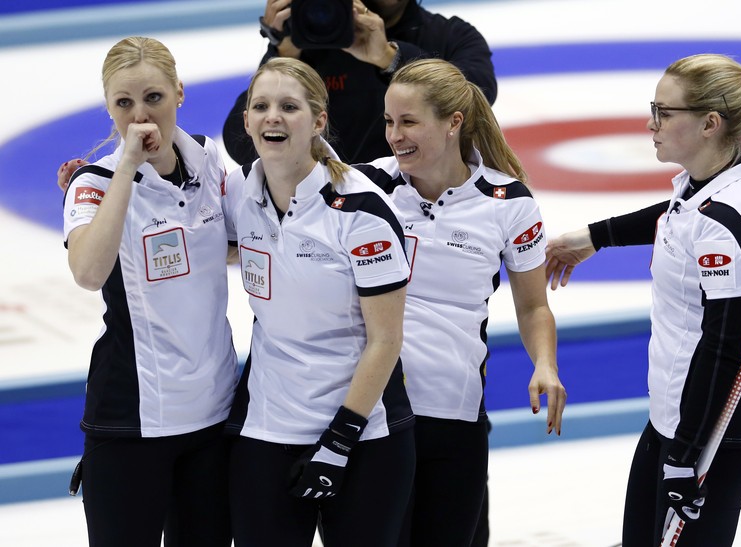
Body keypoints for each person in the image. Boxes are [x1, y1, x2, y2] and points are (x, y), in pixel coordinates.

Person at [546, 53, 741, 546]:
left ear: (709, 124)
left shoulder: (725, 223)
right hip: (677, 414)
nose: (650, 123)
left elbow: (721, 347)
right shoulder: (713, 185)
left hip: (713, 429)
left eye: (663, 112)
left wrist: (685, 455)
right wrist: (597, 236)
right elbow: (679, 216)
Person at [351, 58, 567, 547]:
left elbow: (533, 307)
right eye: (388, 121)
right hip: (374, 412)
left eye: (408, 122)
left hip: (454, 415)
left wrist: (545, 365)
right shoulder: (363, 189)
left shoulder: (509, 202)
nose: (393, 135)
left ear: (453, 123)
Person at [221, 56, 415, 546]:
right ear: (245, 121)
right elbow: (186, 231)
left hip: (362, 436)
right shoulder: (240, 194)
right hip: (267, 430)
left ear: (318, 120)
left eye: (289, 106)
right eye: (260, 106)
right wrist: (90, 181)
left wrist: (339, 440)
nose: (273, 117)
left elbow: (387, 339)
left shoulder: (362, 209)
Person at [61, 36, 237, 547]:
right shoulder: (92, 183)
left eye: (153, 98)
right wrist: (126, 167)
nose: (140, 117)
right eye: (124, 103)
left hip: (214, 411)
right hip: (131, 418)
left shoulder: (207, 161)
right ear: (108, 108)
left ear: (179, 93)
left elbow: (228, 246)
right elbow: (89, 271)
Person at [222, 0, 497, 166]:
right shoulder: (309, 42)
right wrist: (282, 55)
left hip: (423, 211)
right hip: (323, 215)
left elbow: (476, 99)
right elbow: (242, 144)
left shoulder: (451, 36)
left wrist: (391, 57)